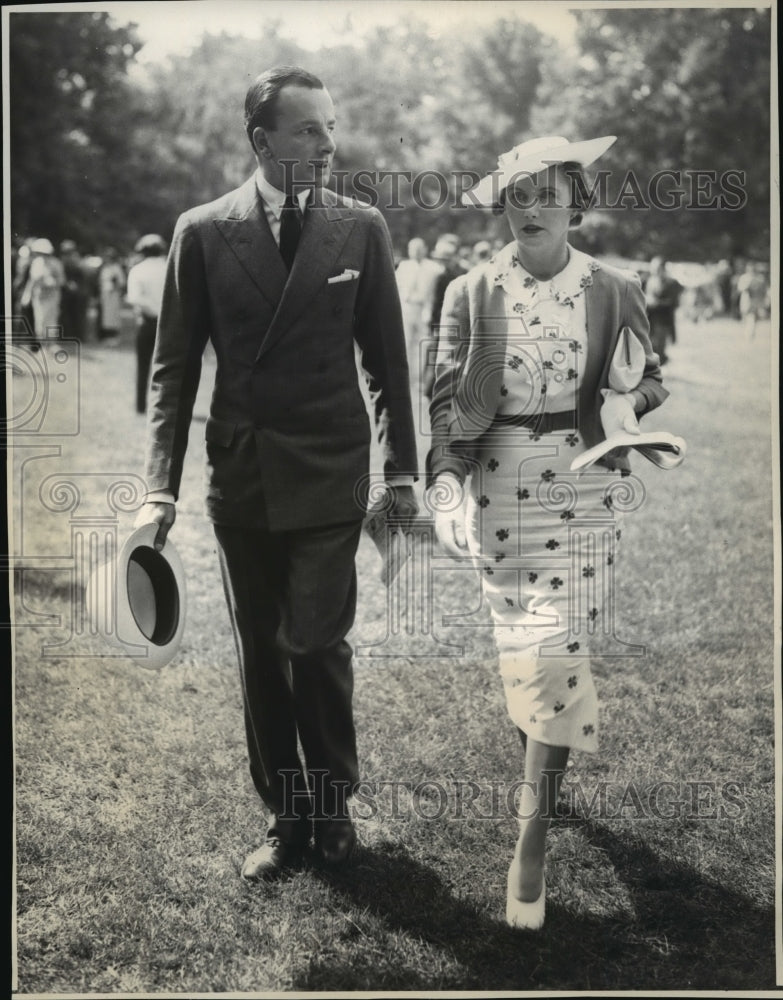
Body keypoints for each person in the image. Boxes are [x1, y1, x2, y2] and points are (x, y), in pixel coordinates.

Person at [135, 66, 418, 880]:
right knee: (262, 649)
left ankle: (333, 807)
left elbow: (388, 366)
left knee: (317, 641)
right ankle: (285, 815)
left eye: (331, 126)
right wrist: (160, 485)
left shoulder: (359, 228)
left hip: (331, 471)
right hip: (244, 475)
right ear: (262, 141)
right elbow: (173, 373)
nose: (329, 144)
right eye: (308, 130)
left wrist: (401, 476)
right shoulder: (201, 230)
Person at [427, 135, 668, 929]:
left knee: (553, 650)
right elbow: (446, 401)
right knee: (526, 651)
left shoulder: (613, 287)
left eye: (544, 193)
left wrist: (628, 407)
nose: (528, 208)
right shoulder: (469, 290)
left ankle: (529, 842)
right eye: (514, 195)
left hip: (584, 485)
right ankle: (544, 754)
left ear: (575, 200)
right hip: (497, 493)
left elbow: (647, 374)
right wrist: (447, 484)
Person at [126, 234, 167, 413]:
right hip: (167, 324)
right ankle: (164, 405)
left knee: (143, 365)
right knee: (166, 367)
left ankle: (141, 405)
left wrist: (150, 309)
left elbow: (134, 298)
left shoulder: (137, 270)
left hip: (147, 321)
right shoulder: (169, 267)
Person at [395, 236, 441, 396]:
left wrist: (429, 311)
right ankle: (404, 378)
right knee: (404, 342)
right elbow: (397, 288)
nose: (416, 252)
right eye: (413, 249)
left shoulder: (434, 268)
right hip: (406, 307)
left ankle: (419, 380)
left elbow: (434, 294)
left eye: (419, 249)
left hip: (423, 309)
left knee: (422, 344)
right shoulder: (403, 266)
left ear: (425, 250)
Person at [22, 238, 65, 345]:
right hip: (39, 296)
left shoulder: (56, 264)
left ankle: (51, 345)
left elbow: (62, 281)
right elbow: (32, 280)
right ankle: (42, 346)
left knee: (50, 321)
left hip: (52, 296)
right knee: (39, 321)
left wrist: (52, 282)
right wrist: (27, 294)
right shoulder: (36, 263)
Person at [643, 256, 682, 365]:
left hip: (662, 320)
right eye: (653, 267)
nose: (654, 270)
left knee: (659, 348)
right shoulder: (647, 280)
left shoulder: (671, 283)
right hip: (648, 318)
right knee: (648, 346)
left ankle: (661, 366)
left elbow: (673, 303)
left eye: (657, 267)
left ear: (663, 268)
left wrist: (656, 303)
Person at [58, 240, 89, 342]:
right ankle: (67, 335)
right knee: (66, 315)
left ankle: (78, 336)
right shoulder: (64, 260)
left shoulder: (76, 260)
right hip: (67, 292)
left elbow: (82, 276)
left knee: (78, 315)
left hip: (78, 292)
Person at [98, 247, 126, 344]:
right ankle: (106, 336)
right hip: (105, 294)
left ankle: (115, 337)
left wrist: (115, 284)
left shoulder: (117, 268)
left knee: (113, 315)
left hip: (114, 294)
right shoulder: (105, 268)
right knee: (106, 316)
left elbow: (122, 282)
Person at [736, 261, 769, 340]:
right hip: (746, 299)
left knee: (753, 317)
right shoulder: (743, 277)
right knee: (748, 317)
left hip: (755, 300)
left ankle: (750, 333)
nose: (751, 269)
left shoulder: (759, 278)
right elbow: (740, 289)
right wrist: (747, 286)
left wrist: (764, 299)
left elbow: (763, 290)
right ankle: (749, 332)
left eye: (752, 268)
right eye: (749, 268)